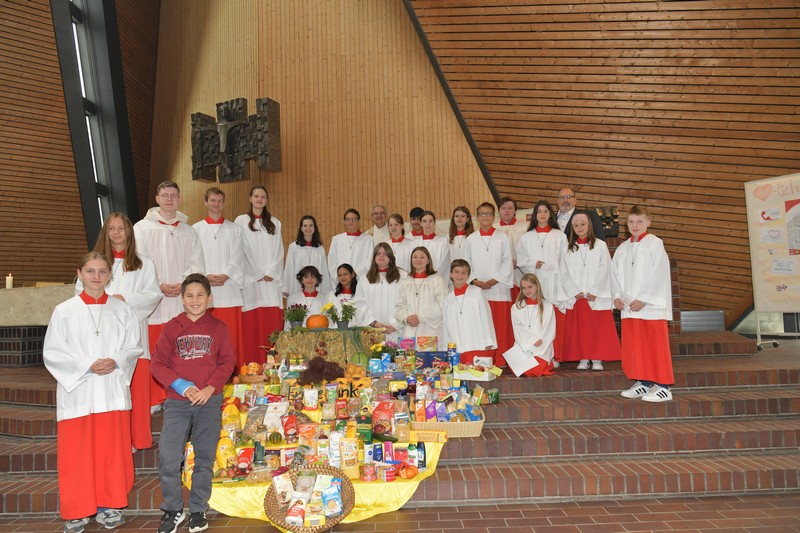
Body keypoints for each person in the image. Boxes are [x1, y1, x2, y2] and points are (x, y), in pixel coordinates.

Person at [44, 252, 142, 533]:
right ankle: (77, 511)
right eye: (90, 271)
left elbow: (133, 346)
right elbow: (52, 352)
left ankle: (110, 505)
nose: (96, 277)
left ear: (110, 275)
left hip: (111, 390)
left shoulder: (123, 310)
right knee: (77, 454)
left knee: (111, 452)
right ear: (80, 274)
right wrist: (87, 365)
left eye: (102, 271)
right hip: (79, 392)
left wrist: (116, 361)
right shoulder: (64, 311)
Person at [151, 274, 236, 533]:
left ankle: (198, 509)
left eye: (200, 295)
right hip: (178, 402)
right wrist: (183, 386)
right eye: (190, 295)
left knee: (204, 457)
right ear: (182, 299)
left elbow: (227, 362)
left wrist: (210, 388)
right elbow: (157, 364)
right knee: (168, 456)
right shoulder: (172, 327)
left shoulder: (219, 328)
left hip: (209, 401)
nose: (195, 300)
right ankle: (173, 509)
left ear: (209, 298)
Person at [77, 213, 161, 451]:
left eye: (121, 228)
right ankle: (114, 440)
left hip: (134, 333)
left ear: (129, 232)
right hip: (102, 338)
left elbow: (153, 295)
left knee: (135, 390)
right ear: (106, 232)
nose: (116, 233)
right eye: (112, 228)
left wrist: (125, 299)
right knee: (109, 391)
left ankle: (136, 439)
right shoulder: (95, 263)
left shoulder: (143, 263)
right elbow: (79, 294)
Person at [134, 180, 205, 410]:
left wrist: (184, 282)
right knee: (155, 347)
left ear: (179, 199)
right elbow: (138, 261)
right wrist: (158, 284)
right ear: (157, 198)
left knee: (181, 346)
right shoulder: (142, 228)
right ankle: (155, 397)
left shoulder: (188, 230)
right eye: (165, 195)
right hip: (155, 299)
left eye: (173, 195)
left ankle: (180, 393)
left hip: (180, 299)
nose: (169, 199)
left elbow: (197, 263)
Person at [613, 205, 674, 403]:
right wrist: (617, 297)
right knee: (635, 348)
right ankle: (645, 383)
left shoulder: (655, 244)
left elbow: (660, 273)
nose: (635, 225)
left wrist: (645, 299)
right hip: (630, 308)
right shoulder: (622, 248)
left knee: (654, 346)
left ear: (648, 222)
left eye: (639, 221)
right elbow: (613, 275)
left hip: (649, 308)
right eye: (631, 222)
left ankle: (664, 387)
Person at [559, 211, 621, 371]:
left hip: (595, 295)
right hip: (578, 296)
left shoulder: (600, 245)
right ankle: (583, 357)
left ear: (589, 226)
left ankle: (597, 358)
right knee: (581, 329)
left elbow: (605, 268)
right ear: (572, 228)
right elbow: (563, 272)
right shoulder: (567, 248)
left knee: (597, 328)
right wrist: (574, 291)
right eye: (576, 225)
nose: (579, 227)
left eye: (582, 224)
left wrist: (595, 290)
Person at [193, 187, 246, 367]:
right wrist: (204, 276)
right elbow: (194, 256)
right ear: (205, 202)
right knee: (207, 337)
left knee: (230, 336)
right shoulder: (196, 229)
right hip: (205, 290)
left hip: (229, 289)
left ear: (223, 203)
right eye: (212, 200)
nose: (216, 204)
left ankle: (232, 373)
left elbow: (239, 256)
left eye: (219, 201)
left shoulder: (235, 229)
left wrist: (227, 274)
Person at [235, 185, 284, 365]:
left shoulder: (275, 222)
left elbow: (279, 249)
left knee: (271, 325)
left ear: (266, 200)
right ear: (250, 198)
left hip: (270, 282)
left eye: (263, 196)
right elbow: (241, 249)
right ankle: (251, 366)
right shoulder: (241, 221)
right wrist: (256, 273)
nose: (259, 199)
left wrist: (271, 272)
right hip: (251, 282)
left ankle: (273, 366)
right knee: (252, 326)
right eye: (256, 196)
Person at [516, 200, 568, 365]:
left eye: (546, 211)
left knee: (552, 320)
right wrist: (533, 263)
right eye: (539, 211)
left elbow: (566, 260)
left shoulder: (560, 235)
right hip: (535, 281)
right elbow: (521, 259)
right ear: (535, 215)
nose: (543, 214)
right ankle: (535, 353)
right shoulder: (526, 237)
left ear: (550, 214)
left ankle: (554, 355)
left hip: (554, 281)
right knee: (536, 319)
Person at [463, 202, 514, 366]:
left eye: (488, 214)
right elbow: (465, 263)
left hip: (498, 288)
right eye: (482, 214)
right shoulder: (470, 239)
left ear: (494, 216)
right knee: (481, 326)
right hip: (477, 290)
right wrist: (475, 280)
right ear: (477, 217)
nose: (485, 217)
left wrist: (495, 279)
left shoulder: (502, 237)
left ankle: (501, 359)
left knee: (500, 326)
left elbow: (507, 261)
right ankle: (483, 359)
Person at [443, 259, 497, 364]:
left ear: (468, 276)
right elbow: (446, 326)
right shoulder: (448, 299)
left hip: (477, 343)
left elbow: (486, 317)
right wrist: (447, 347)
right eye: (456, 272)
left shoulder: (476, 293)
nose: (460, 275)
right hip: (457, 345)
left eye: (464, 273)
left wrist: (488, 340)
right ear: (451, 274)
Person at [503, 273, 556, 377]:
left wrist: (537, 344)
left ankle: (546, 363)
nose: (527, 290)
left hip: (542, 348)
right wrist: (531, 342)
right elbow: (518, 328)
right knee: (522, 370)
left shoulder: (547, 306)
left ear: (537, 286)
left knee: (534, 370)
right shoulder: (517, 307)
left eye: (530, 287)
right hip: (522, 347)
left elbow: (549, 330)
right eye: (523, 288)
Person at [394, 246, 447, 349]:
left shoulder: (437, 280)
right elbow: (399, 306)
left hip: (429, 329)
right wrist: (407, 318)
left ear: (428, 260)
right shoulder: (406, 282)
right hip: (409, 331)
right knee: (409, 363)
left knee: (429, 363)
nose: (418, 260)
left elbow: (442, 305)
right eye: (415, 257)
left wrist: (420, 317)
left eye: (422, 257)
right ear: (411, 260)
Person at [359, 243, 407, 342]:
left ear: (391, 257)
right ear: (374, 258)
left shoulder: (403, 276)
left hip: (397, 330)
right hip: (373, 331)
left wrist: (395, 325)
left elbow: (407, 301)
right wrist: (373, 323)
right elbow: (360, 304)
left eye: (385, 253)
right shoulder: (365, 278)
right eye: (378, 253)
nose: (381, 256)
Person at [282, 215, 332, 296]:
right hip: (297, 288)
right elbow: (289, 269)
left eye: (311, 225)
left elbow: (324, 270)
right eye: (305, 226)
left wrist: (326, 291)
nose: (308, 228)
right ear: (301, 228)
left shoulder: (320, 248)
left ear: (314, 228)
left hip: (316, 289)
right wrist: (286, 288)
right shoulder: (293, 247)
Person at [493, 196, 527, 300]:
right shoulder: (493, 228)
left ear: (515, 210)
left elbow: (529, 250)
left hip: (520, 272)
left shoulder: (525, 227)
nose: (506, 211)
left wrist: (519, 262)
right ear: (499, 211)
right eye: (503, 208)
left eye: (510, 208)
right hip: (499, 274)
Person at [327, 209, 373, 280]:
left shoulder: (368, 239)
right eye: (348, 219)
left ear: (358, 222)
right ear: (344, 222)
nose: (351, 222)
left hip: (360, 278)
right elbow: (332, 261)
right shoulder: (337, 239)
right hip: (342, 280)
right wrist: (342, 275)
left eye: (354, 219)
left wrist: (356, 272)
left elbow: (370, 260)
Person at [418, 210, 451, 276]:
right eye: (424, 221)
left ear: (434, 222)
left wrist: (432, 277)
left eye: (431, 221)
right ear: (420, 223)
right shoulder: (414, 243)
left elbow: (444, 264)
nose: (428, 224)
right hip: (419, 279)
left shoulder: (443, 241)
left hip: (437, 279)